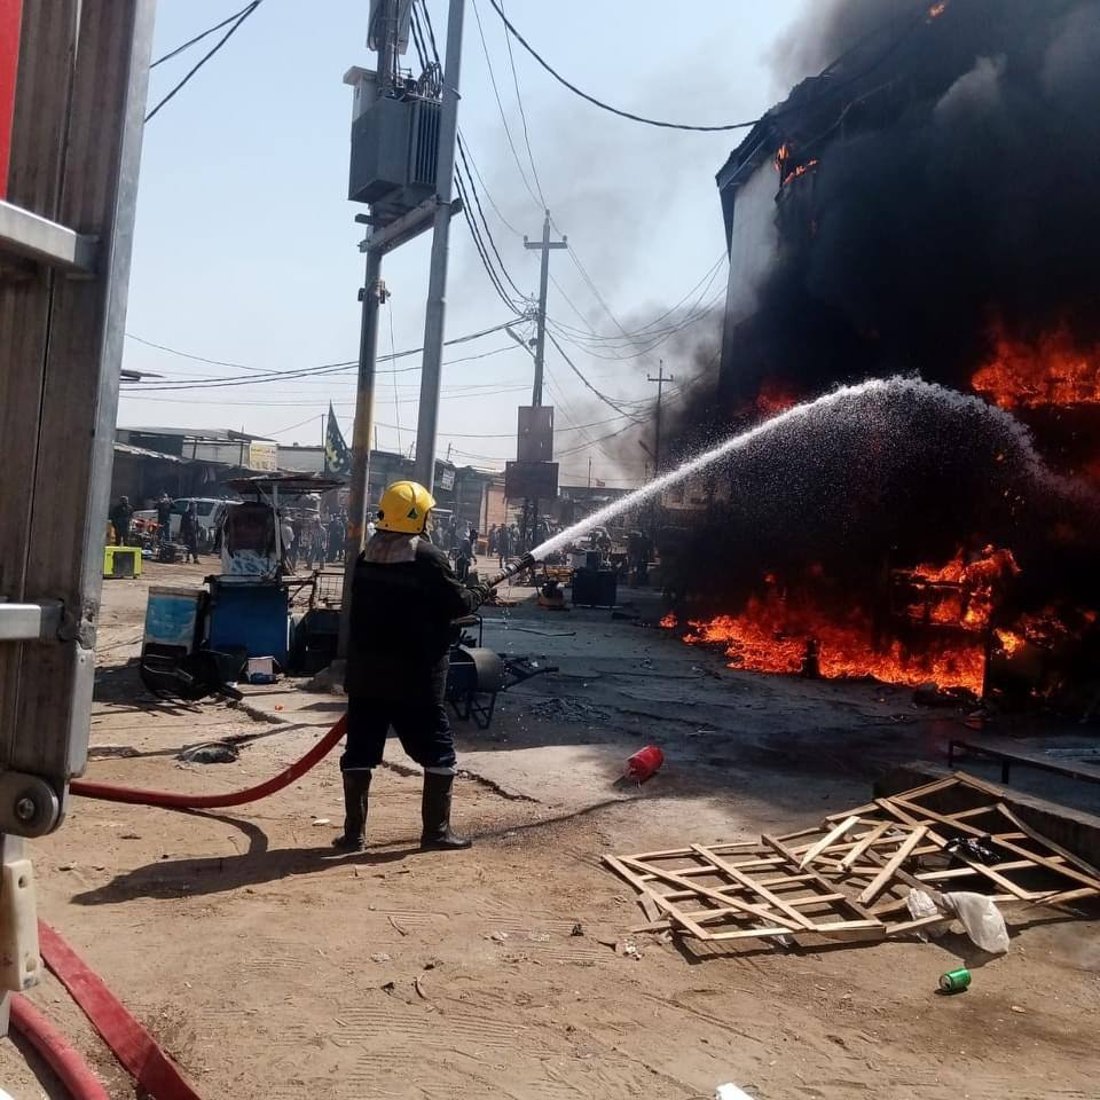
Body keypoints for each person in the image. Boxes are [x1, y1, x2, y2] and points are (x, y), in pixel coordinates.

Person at [336, 480, 490, 853]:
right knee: (439, 753)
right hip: (415, 677)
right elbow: (458, 604)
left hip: (367, 676)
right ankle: (436, 832)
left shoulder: (366, 554)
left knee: (359, 752)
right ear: (418, 516)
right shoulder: (428, 557)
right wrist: (479, 593)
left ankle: (354, 835)